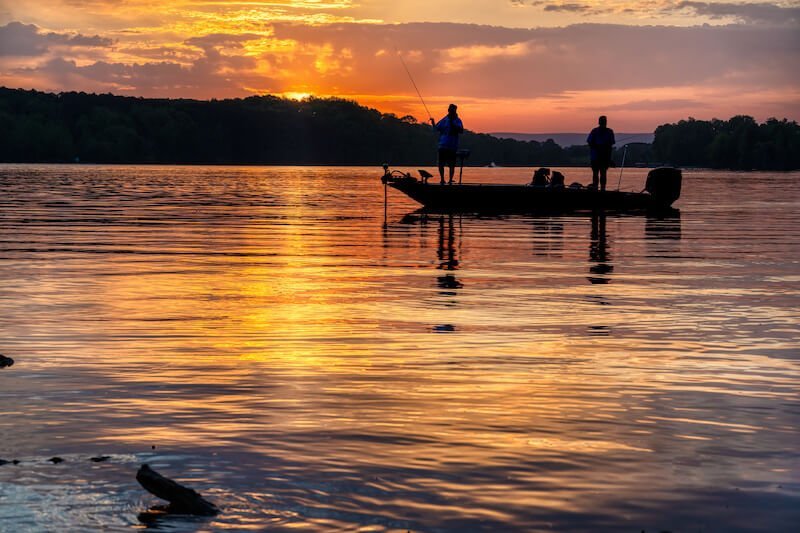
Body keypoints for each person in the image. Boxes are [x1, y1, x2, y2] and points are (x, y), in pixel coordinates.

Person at [430, 104, 464, 184]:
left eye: (452, 110)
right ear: (448, 110)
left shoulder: (458, 120)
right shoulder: (444, 119)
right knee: (441, 163)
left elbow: (461, 130)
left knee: (452, 164)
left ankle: (450, 180)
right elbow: (436, 128)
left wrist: (453, 124)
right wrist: (433, 123)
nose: (450, 111)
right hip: (443, 145)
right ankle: (442, 179)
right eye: (450, 110)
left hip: (452, 146)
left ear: (455, 111)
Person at [587, 115, 615, 191]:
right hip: (596, 157)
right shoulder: (595, 131)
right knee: (597, 174)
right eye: (603, 121)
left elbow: (610, 146)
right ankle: (598, 189)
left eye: (604, 121)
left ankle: (602, 189)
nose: (603, 123)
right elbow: (590, 143)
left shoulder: (609, 132)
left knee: (602, 174)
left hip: (602, 158)